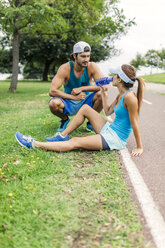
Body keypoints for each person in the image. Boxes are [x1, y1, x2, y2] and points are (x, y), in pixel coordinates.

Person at [15, 64, 144, 157]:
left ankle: (33, 144)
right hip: (110, 129)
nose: (112, 76)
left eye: (114, 75)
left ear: (120, 79)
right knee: (86, 108)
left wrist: (139, 147)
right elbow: (108, 112)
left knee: (75, 142)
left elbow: (135, 124)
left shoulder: (130, 98)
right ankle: (62, 136)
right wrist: (104, 95)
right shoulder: (121, 93)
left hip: (115, 138)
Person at [48, 41, 105, 133]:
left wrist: (82, 88)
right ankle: (65, 119)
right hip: (69, 102)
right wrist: (73, 97)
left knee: (102, 94)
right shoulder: (65, 68)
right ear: (74, 56)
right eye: (83, 56)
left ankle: (91, 122)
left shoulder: (92, 66)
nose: (86, 59)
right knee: (53, 104)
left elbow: (103, 86)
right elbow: (52, 91)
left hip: (86, 101)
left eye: (88, 56)